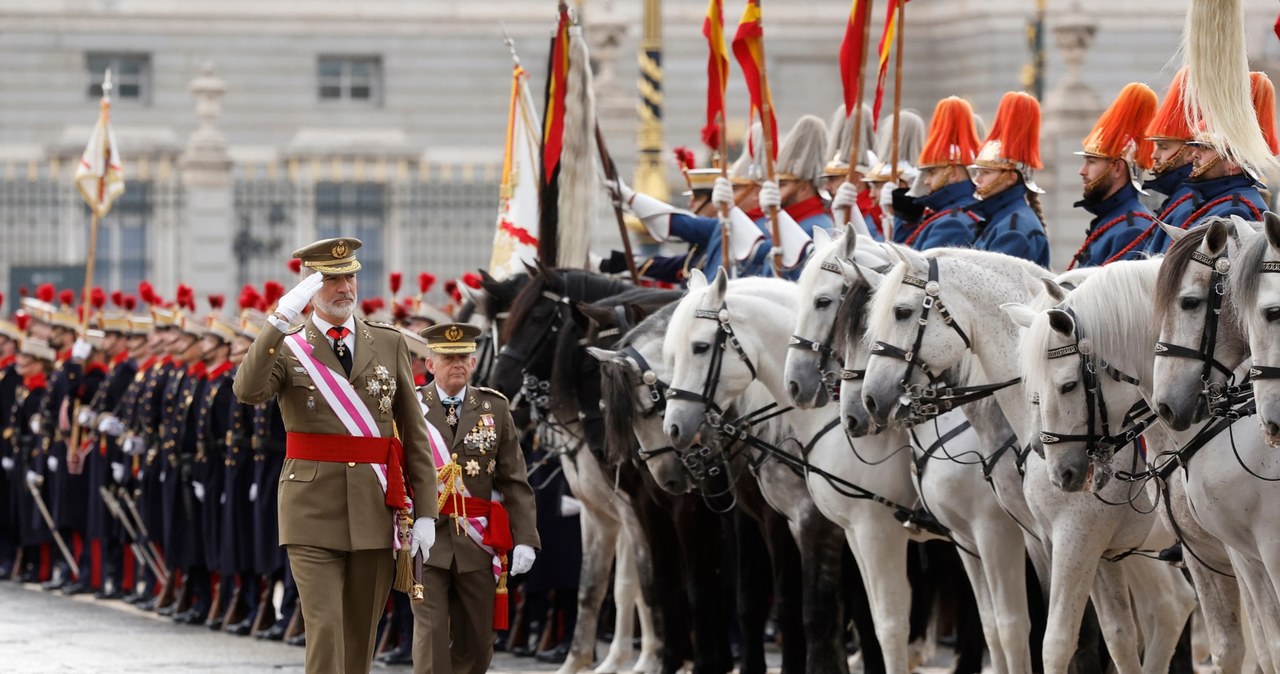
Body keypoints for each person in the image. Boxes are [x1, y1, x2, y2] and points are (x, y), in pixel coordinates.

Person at [232, 237, 439, 674]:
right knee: (325, 628)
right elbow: (247, 390)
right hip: (311, 509)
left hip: (374, 506)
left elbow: (413, 434)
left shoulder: (388, 342)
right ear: (309, 286)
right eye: (331, 279)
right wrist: (278, 319)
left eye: (350, 275)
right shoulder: (288, 346)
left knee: (359, 635)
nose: (345, 287)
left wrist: (425, 511)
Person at [413, 322, 539, 674]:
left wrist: (526, 539)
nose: (456, 363)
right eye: (446, 356)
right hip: (426, 541)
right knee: (432, 634)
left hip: (478, 542)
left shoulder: (494, 408)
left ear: (473, 363)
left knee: (478, 640)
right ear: (430, 364)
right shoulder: (411, 406)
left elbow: (514, 480)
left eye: (463, 357)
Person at [1067, 82, 1159, 268]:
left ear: (1117, 168)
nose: (1082, 171)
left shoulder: (1132, 228)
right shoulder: (1113, 220)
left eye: (1091, 162)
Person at [968, 91, 1051, 267]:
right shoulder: (1002, 219)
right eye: (978, 172)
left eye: (987, 173)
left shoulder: (1014, 229)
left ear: (1010, 178)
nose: (979, 179)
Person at [900, 96, 985, 250]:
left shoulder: (952, 223)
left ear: (952, 174)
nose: (926, 181)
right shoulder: (945, 215)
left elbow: (918, 274)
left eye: (932, 173)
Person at [1140, 68, 1199, 254]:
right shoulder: (1178, 199)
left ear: (1189, 152)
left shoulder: (1187, 204)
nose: (1154, 155)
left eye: (1163, 147)